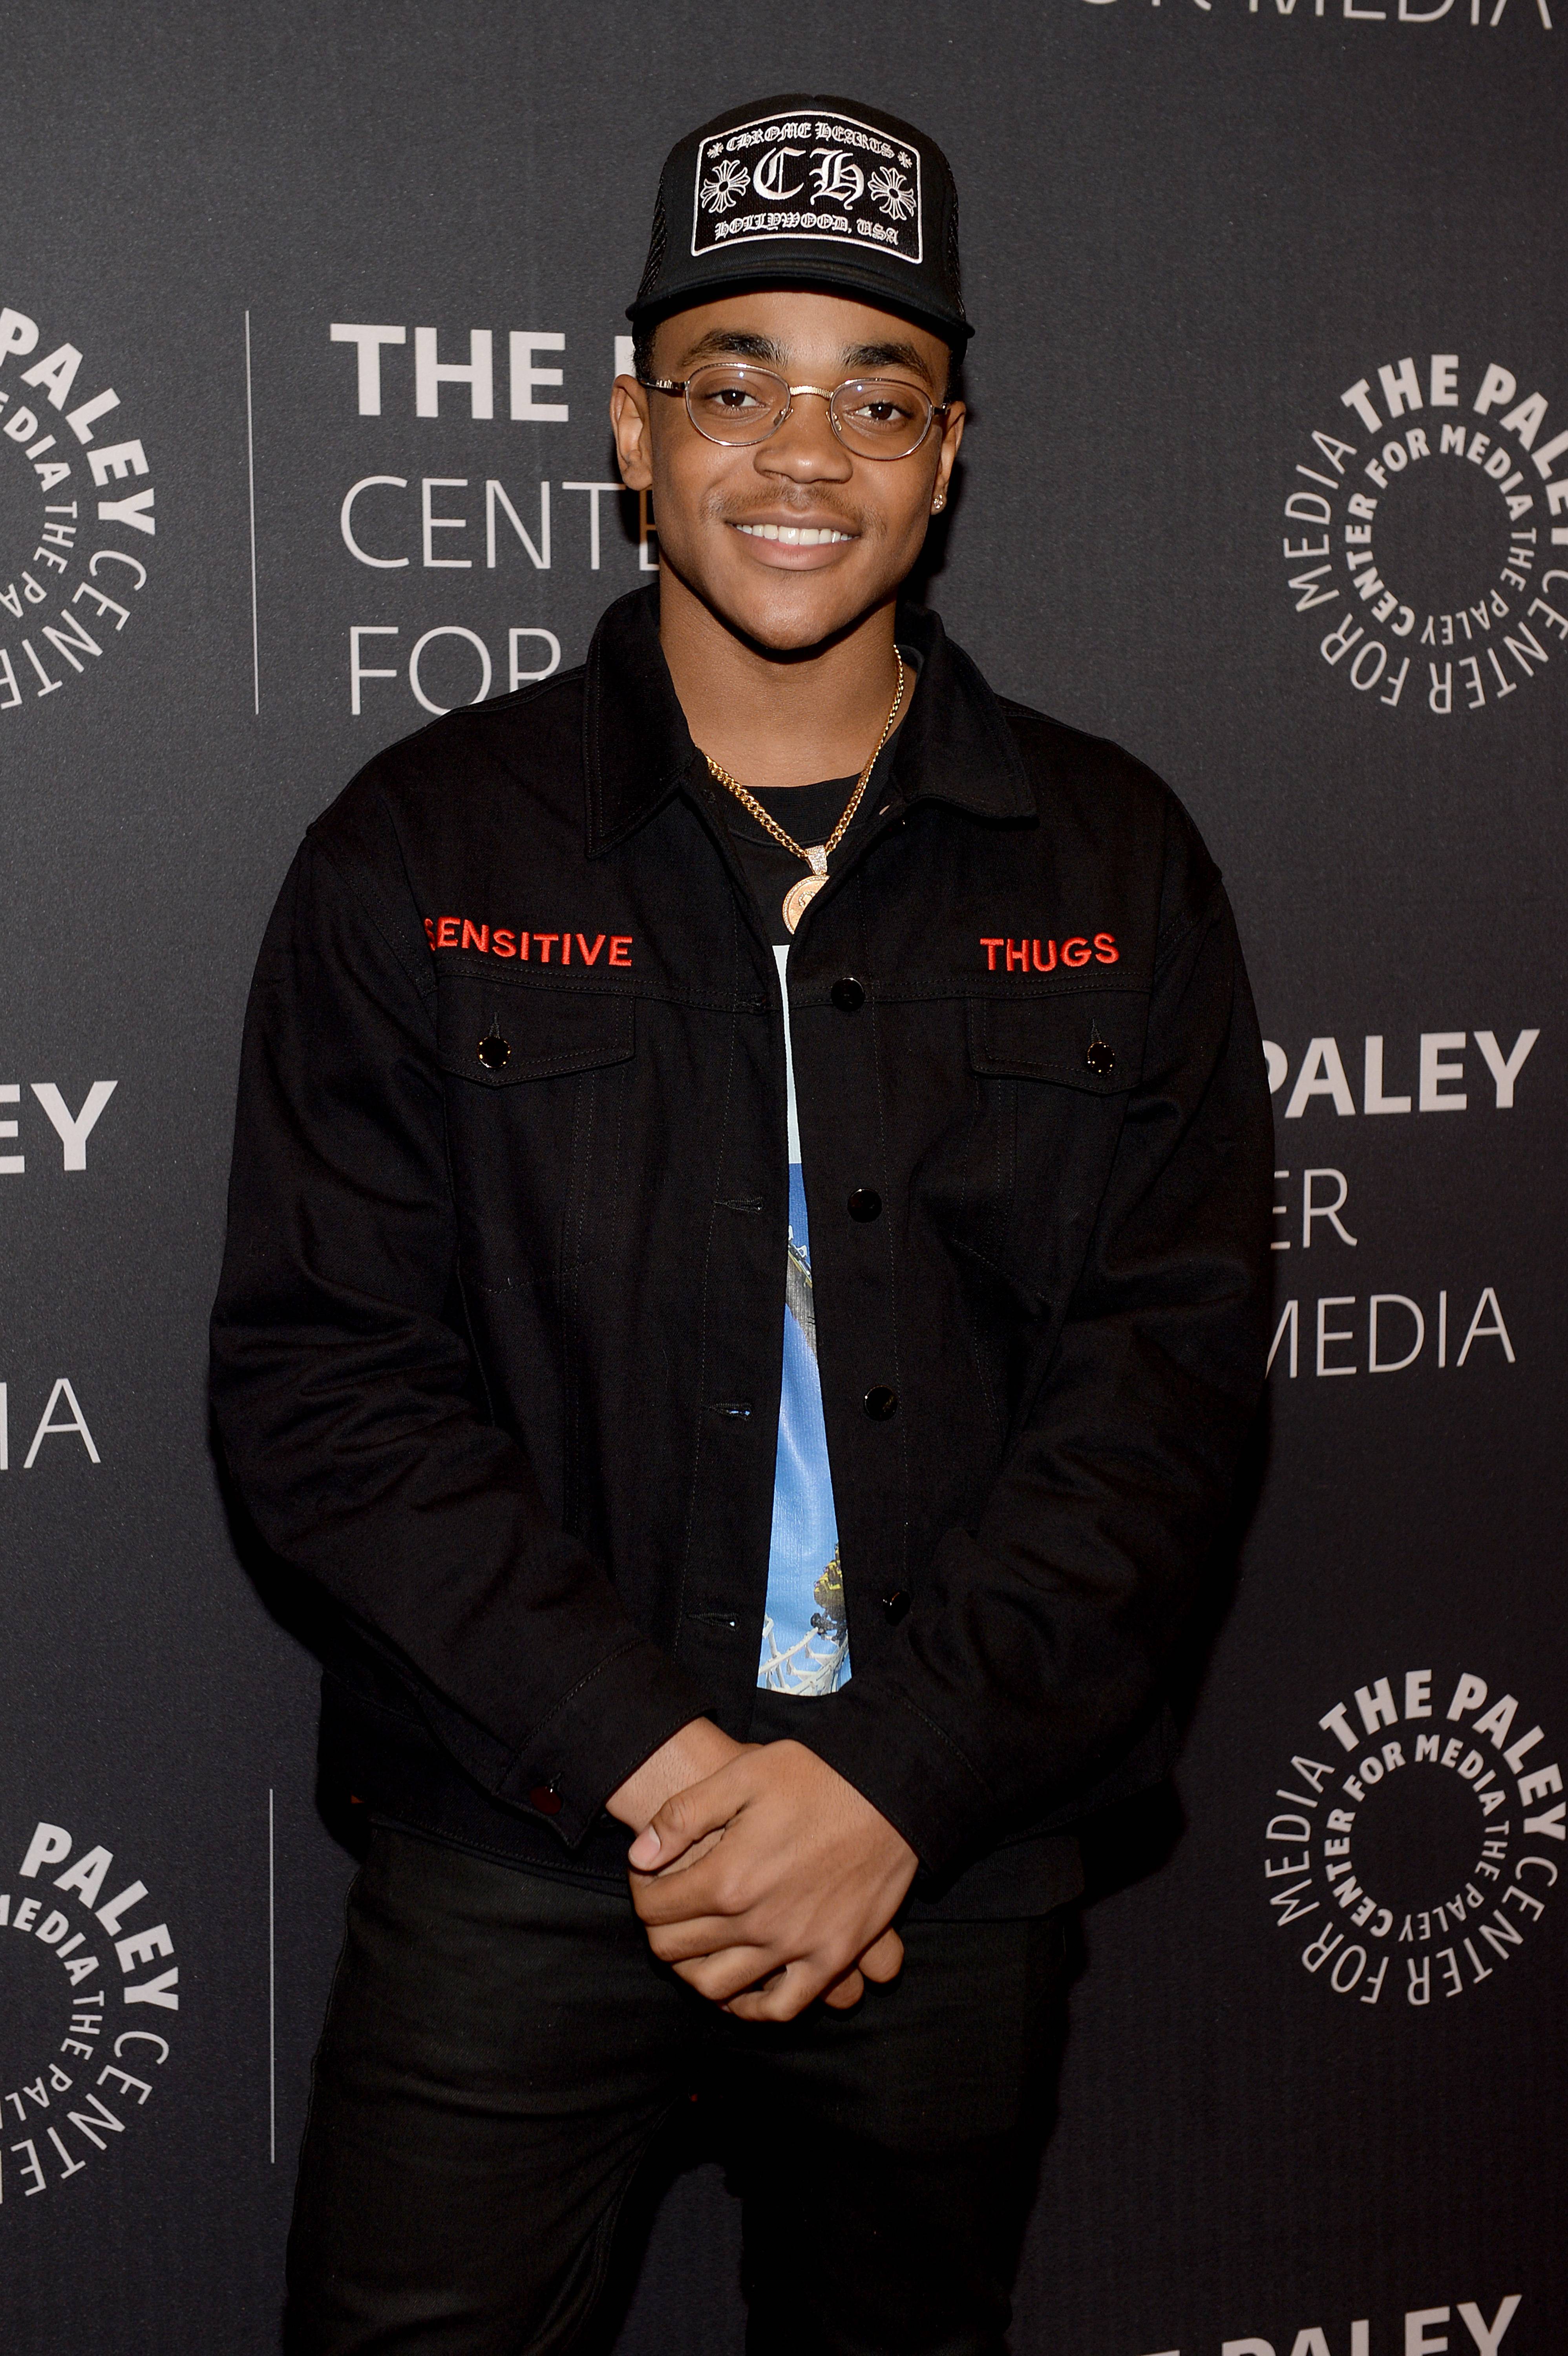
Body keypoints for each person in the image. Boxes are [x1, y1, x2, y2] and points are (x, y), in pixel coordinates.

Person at [210, 90, 1273, 2356]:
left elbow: (1161, 1392)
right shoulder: (422, 851)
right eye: (738, 383)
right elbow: (325, 1385)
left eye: (876, 396)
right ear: (629, 425)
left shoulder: (1115, 861)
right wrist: (690, 1784)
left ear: (953, 450)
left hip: (947, 1855)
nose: (806, 453)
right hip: (524, 1842)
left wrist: (881, 1784)